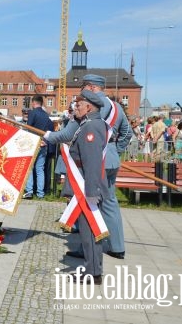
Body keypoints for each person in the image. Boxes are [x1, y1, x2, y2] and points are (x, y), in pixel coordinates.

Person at [44, 74, 131, 260]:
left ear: (91, 87)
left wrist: (48, 136)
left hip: (90, 160)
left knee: (88, 205)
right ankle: (117, 247)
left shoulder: (88, 105)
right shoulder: (117, 107)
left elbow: (67, 134)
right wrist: (113, 149)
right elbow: (127, 133)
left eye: (82, 87)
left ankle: (87, 249)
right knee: (109, 202)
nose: (80, 93)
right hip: (111, 159)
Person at [60, 90, 108, 285]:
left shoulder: (91, 128)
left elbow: (92, 162)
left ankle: (93, 272)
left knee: (90, 230)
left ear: (89, 107)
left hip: (87, 187)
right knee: (88, 230)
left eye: (78, 105)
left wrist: (91, 192)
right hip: (85, 185)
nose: (75, 108)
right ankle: (92, 268)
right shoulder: (89, 124)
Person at [23, 95, 54, 199]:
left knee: (29, 168)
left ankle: (29, 191)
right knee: (40, 169)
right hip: (44, 144)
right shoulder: (46, 115)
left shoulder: (32, 113)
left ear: (33, 103)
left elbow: (29, 128)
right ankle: (41, 193)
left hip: (34, 143)